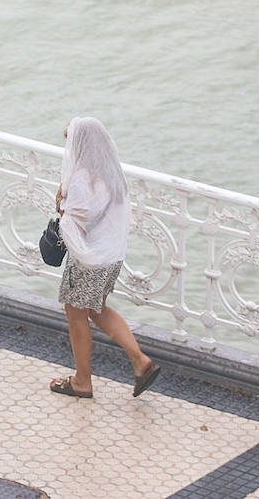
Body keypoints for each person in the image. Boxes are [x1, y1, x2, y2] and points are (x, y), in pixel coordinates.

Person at [48, 116, 161, 399]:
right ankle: (140, 360)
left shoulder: (81, 180)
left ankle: (82, 381)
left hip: (89, 260)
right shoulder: (112, 175)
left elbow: (77, 224)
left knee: (76, 315)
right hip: (112, 257)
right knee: (97, 310)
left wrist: (61, 204)